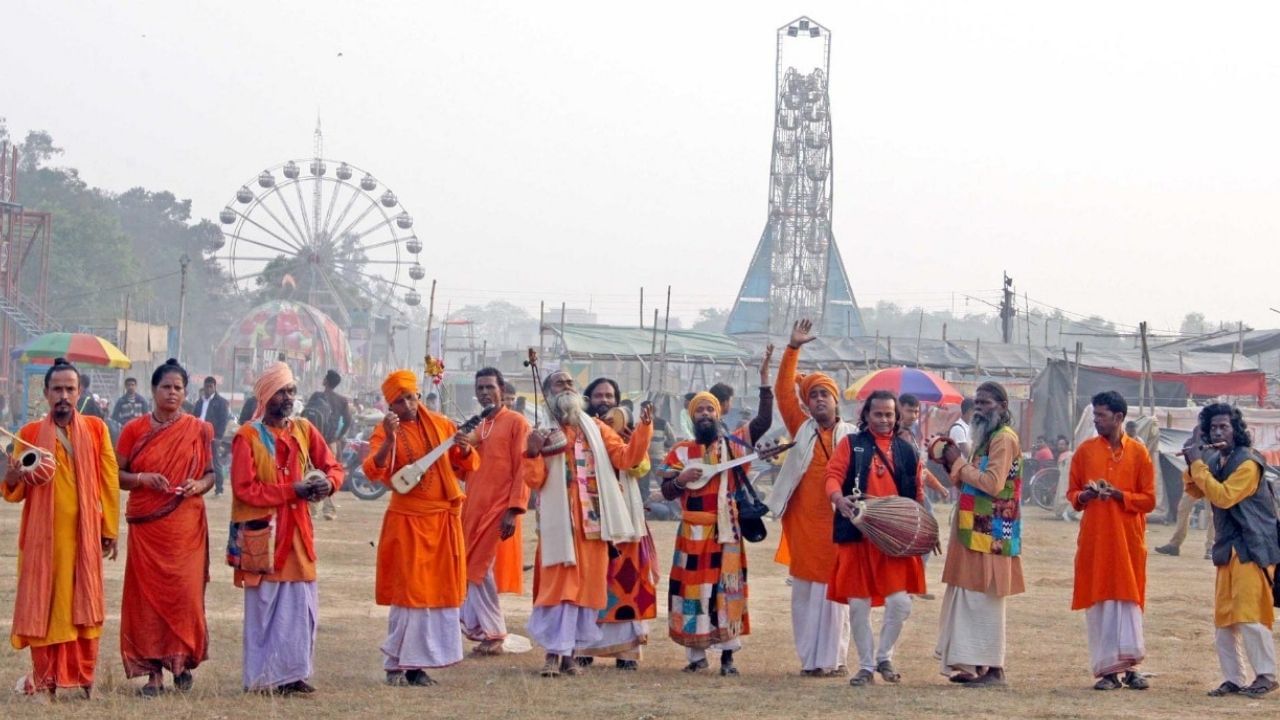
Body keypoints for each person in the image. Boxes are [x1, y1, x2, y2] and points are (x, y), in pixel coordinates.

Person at [522, 369, 651, 677]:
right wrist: (532, 451)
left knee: (583, 592)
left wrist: (644, 428)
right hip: (559, 526)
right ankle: (553, 656)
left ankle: (569, 657)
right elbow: (534, 479)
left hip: (592, 526)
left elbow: (624, 459)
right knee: (560, 590)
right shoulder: (541, 431)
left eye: (570, 383)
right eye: (559, 383)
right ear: (548, 392)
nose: (566, 387)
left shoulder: (595, 428)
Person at [3, 358, 119, 698]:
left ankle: (83, 681)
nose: (64, 396)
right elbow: (15, 491)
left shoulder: (97, 430)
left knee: (85, 606)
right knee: (46, 607)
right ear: (46, 394)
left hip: (84, 539)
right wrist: (10, 478)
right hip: (44, 545)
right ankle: (45, 681)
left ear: (80, 392)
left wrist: (108, 528)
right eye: (57, 389)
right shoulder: (27, 435)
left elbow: (109, 481)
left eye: (70, 389)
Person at [229, 362, 343, 696]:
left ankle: (293, 674)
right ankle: (264, 677)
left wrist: (328, 484)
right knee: (265, 607)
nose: (288, 397)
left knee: (300, 606)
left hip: (298, 533)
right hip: (263, 535)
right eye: (281, 391)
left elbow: (333, 466)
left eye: (291, 390)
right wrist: (292, 490)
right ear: (266, 396)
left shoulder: (304, 430)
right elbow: (245, 489)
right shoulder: (246, 436)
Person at [363, 369, 478, 686]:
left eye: (411, 397)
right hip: (408, 524)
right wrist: (388, 439)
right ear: (390, 405)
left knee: (436, 592)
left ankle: (424, 661)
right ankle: (401, 665)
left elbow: (465, 464)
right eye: (399, 401)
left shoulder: (442, 425)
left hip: (442, 521)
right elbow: (373, 470)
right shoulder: (385, 430)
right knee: (410, 594)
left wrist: (466, 447)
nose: (408, 405)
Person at [116, 359, 216, 695]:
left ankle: (181, 663)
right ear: (153, 390)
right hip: (148, 529)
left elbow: (211, 475)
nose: (172, 393)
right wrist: (142, 479)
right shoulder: (133, 430)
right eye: (166, 387)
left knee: (184, 596)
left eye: (178, 387)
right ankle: (153, 673)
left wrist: (197, 486)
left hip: (185, 527)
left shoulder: (199, 430)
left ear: (186, 393)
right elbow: (117, 475)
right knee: (147, 600)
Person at [768, 319, 853, 678]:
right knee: (806, 594)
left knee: (836, 597)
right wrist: (792, 348)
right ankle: (810, 661)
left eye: (824, 395)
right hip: (804, 526)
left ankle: (832, 660)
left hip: (839, 526)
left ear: (836, 400)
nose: (819, 400)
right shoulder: (799, 427)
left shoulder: (852, 435)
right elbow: (783, 391)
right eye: (813, 395)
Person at [826, 391, 927, 687]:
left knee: (900, 603)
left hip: (895, 540)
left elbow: (918, 497)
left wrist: (923, 530)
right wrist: (837, 498)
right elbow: (832, 475)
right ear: (866, 415)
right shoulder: (851, 445)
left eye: (889, 414)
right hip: (858, 535)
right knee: (858, 605)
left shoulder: (907, 450)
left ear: (897, 417)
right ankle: (866, 666)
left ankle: (885, 655)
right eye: (878, 414)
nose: (884, 420)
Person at [1182, 403, 1280, 698]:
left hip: (1253, 548)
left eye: (1224, 426)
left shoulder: (1249, 463)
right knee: (1224, 617)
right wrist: (1193, 461)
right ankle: (1233, 678)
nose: (1218, 432)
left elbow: (1223, 498)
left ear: (1237, 430)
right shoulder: (1216, 460)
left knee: (1249, 616)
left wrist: (1198, 464)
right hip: (1228, 549)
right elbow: (1196, 490)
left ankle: (1266, 675)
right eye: (1212, 428)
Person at [933, 381, 1025, 687]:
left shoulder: (1004, 439)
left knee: (983, 597)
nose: (980, 409)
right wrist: (951, 462)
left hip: (992, 531)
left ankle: (993, 668)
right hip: (975, 529)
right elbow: (971, 482)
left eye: (987, 403)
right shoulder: (987, 439)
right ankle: (976, 666)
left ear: (1002, 406)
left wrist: (957, 462)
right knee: (968, 594)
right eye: (978, 403)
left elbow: (992, 483)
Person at [1066, 391, 1155, 691]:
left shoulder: (1139, 453)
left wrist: (1120, 495)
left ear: (1119, 418)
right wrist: (1087, 496)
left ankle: (1131, 669)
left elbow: (1150, 499)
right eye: (1095, 415)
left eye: (1101, 415)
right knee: (1101, 601)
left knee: (1128, 602)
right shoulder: (1085, 452)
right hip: (1096, 539)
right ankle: (1106, 672)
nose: (1096, 420)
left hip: (1128, 541)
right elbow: (1073, 495)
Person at [662, 392, 750, 676]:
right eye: (699, 410)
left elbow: (763, 422)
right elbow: (666, 490)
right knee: (692, 592)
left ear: (718, 414)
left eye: (709, 409)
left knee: (726, 591)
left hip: (725, 532)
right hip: (691, 533)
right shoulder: (680, 451)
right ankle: (697, 657)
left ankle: (728, 658)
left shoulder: (734, 448)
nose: (704, 414)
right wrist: (679, 480)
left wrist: (764, 382)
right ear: (691, 416)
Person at [577, 375, 658, 670]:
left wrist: (641, 431)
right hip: (591, 515)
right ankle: (585, 646)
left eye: (610, 395)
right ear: (587, 401)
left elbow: (639, 466)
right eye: (598, 395)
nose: (605, 400)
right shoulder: (579, 432)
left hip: (624, 517)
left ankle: (626, 652)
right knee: (593, 579)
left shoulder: (627, 435)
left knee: (626, 579)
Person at [460, 368, 530, 656]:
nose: (485, 392)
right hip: (472, 506)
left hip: (499, 507)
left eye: (490, 386)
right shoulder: (478, 426)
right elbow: (464, 471)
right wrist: (462, 450)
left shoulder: (516, 423)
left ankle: (494, 632)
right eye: (480, 388)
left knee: (480, 569)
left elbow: (523, 468)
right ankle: (479, 629)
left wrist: (513, 510)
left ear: (502, 390)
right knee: (469, 568)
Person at [898, 393, 950, 595]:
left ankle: (915, 582)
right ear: (899, 408)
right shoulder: (894, 435)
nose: (913, 415)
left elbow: (920, 468)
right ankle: (909, 583)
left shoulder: (911, 434)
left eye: (916, 411)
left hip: (919, 495)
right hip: (904, 496)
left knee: (926, 538)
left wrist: (939, 487)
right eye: (909, 410)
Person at [306, 370, 354, 521]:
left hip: (314, 441)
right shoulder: (341, 400)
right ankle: (329, 509)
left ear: (325, 381)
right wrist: (338, 437)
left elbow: (305, 415)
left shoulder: (316, 396)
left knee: (312, 474)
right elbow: (348, 421)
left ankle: (312, 510)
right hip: (331, 442)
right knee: (330, 474)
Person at [193, 376, 230, 496]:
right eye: (206, 386)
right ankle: (197, 486)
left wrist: (218, 436)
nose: (208, 389)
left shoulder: (221, 402)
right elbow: (194, 417)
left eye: (210, 387)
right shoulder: (200, 402)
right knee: (197, 460)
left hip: (213, 436)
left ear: (215, 387)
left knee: (215, 461)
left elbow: (223, 421)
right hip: (199, 435)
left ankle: (219, 489)